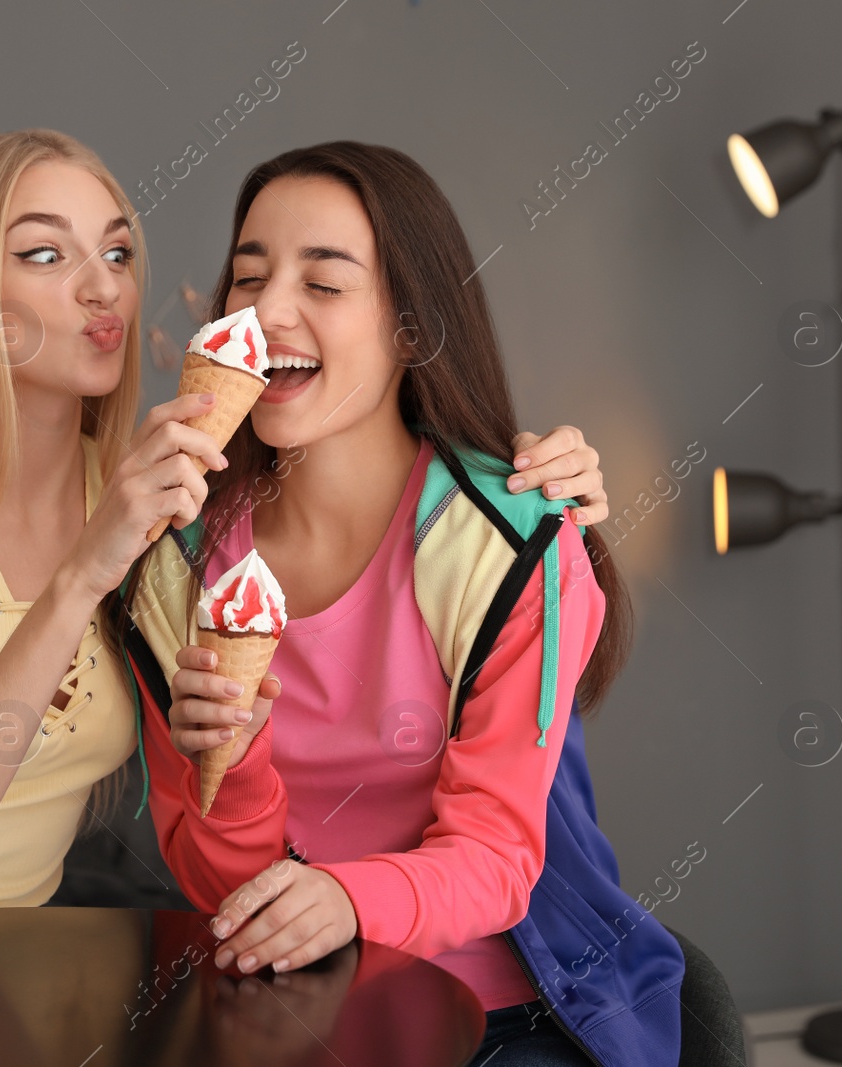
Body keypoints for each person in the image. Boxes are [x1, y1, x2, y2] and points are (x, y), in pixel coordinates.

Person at [0, 129, 612, 937]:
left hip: (1, 953)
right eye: (45, 257)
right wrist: (81, 574)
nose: (103, 287)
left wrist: (535, 489)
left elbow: (490, 835)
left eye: (120, 252)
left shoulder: (163, 508)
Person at [118, 142, 688, 1067]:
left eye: (325, 282)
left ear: (411, 329)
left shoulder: (512, 542)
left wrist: (350, 898)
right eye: (248, 276)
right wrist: (236, 758)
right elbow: (214, 879)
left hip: (507, 1014)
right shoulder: (175, 568)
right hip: (283, 1008)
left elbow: (499, 856)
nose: (267, 312)